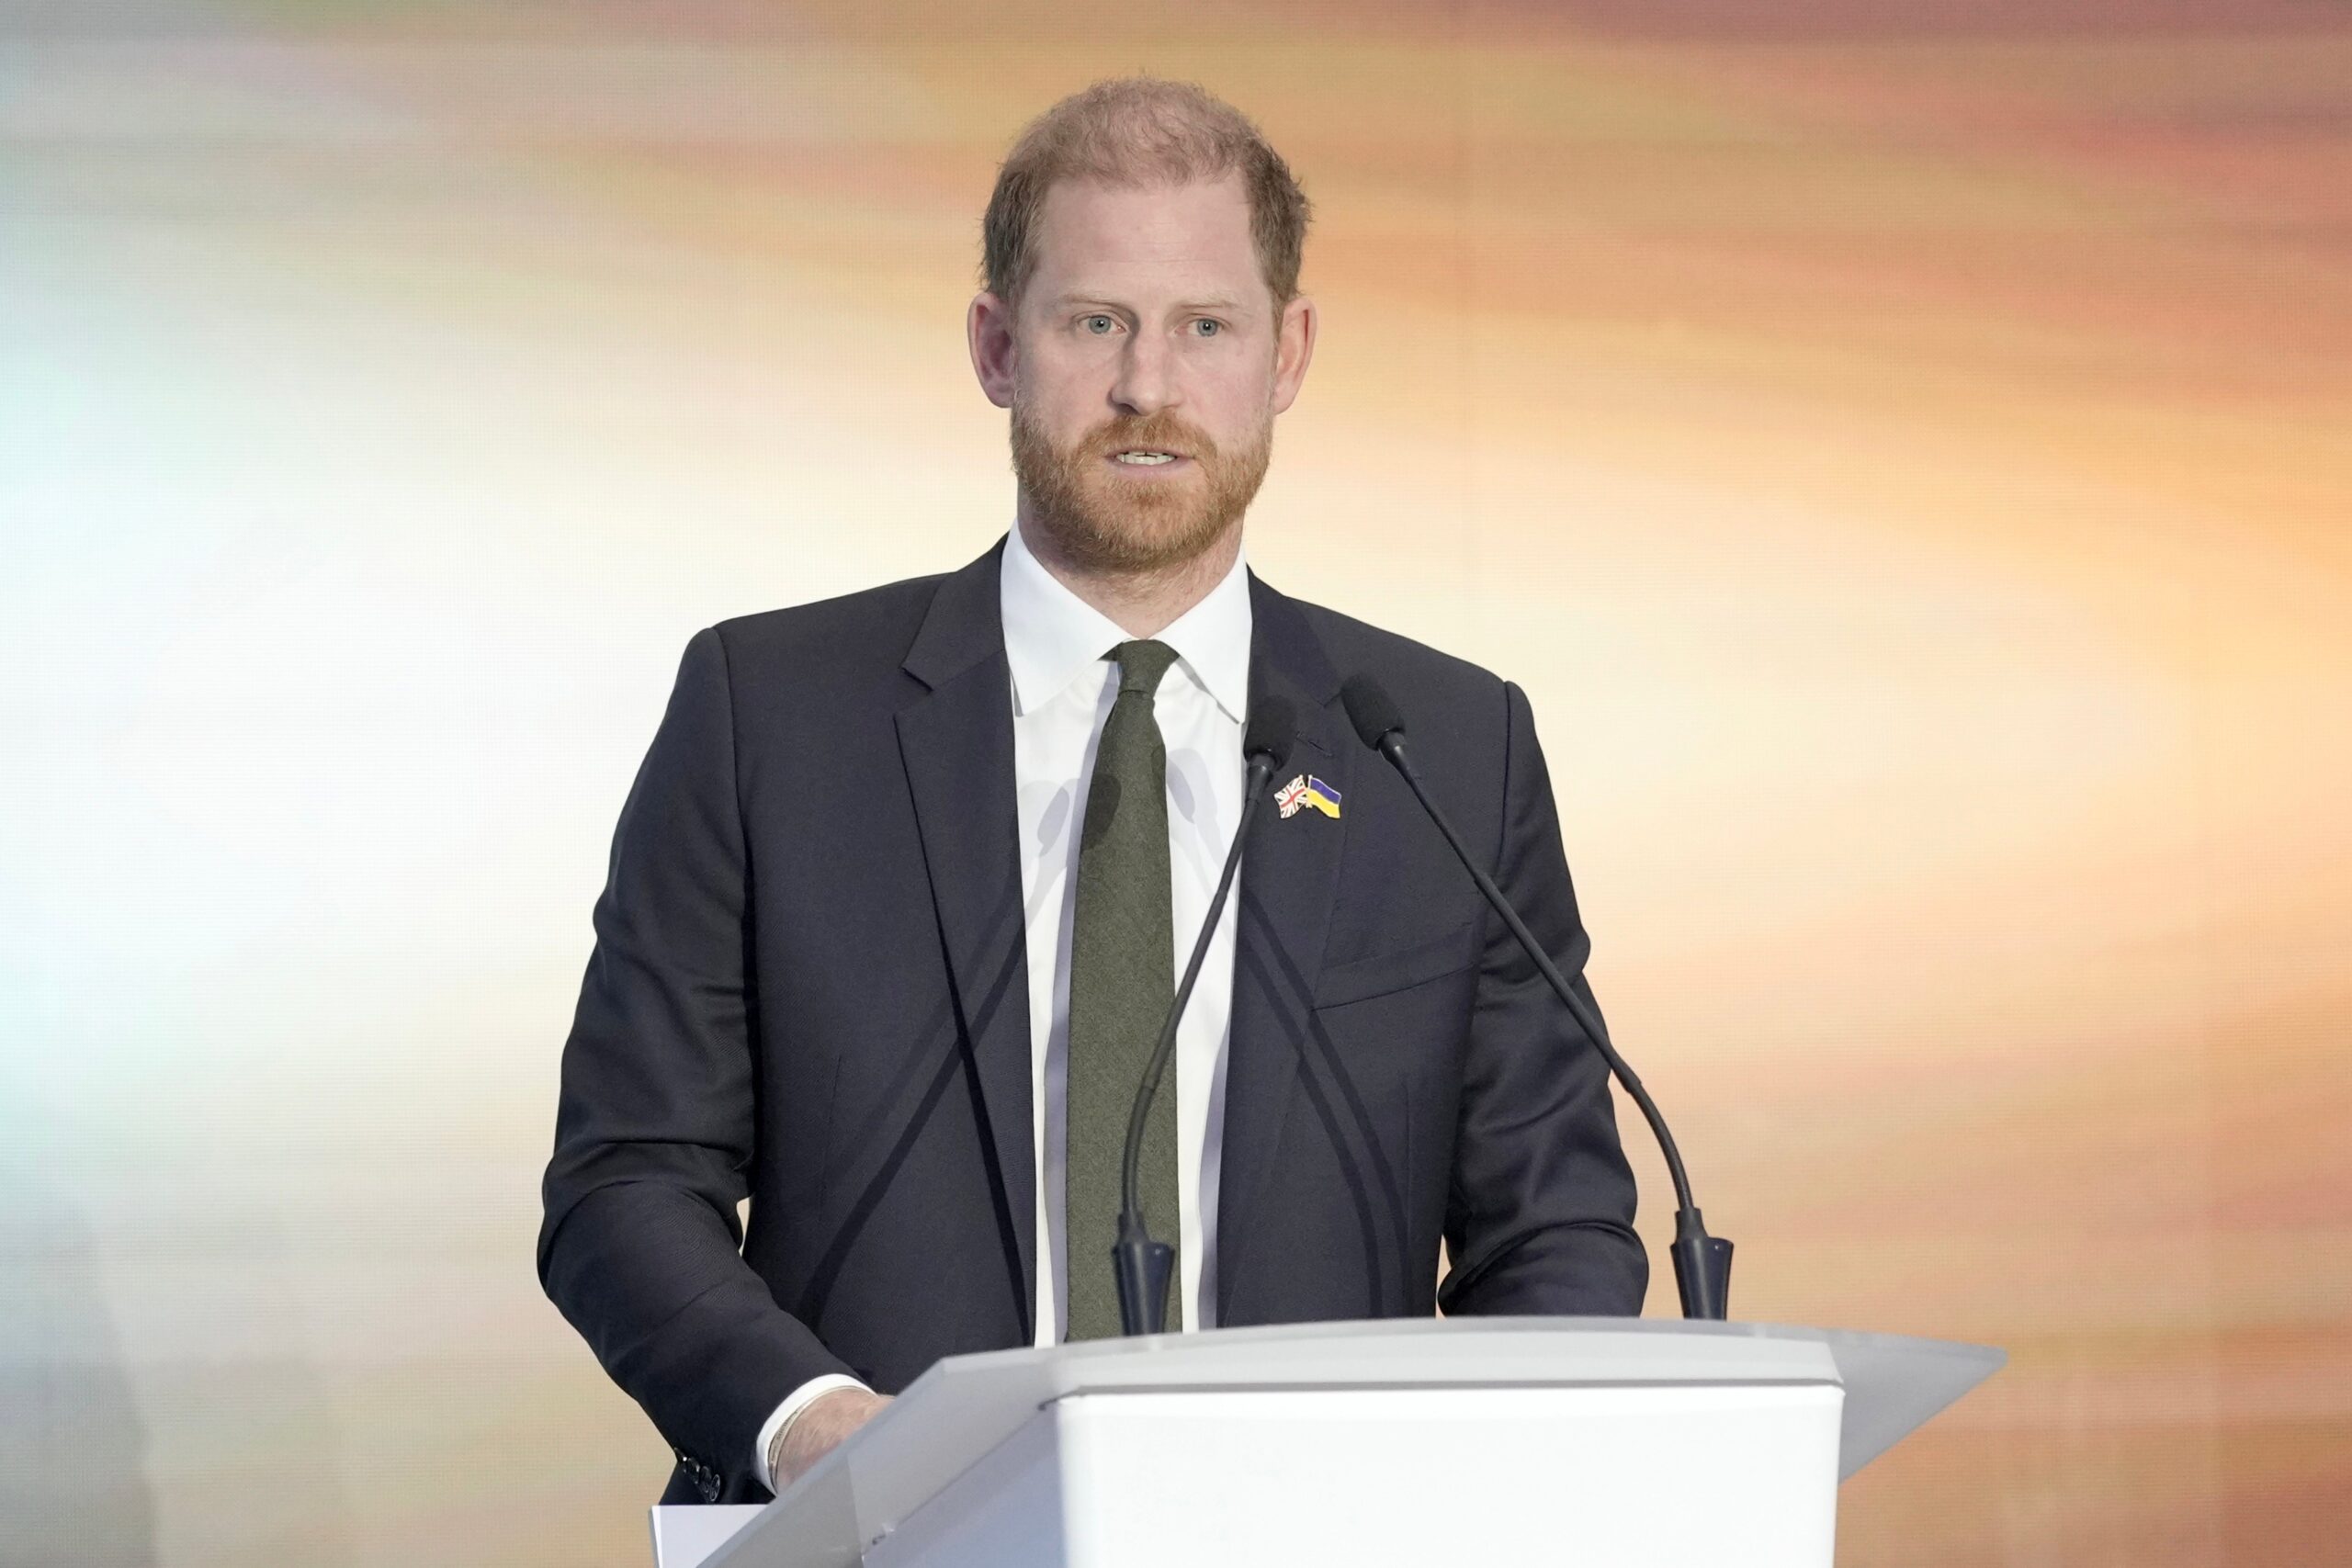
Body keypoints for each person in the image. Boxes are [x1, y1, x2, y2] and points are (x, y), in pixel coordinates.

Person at [539, 75, 1645, 1509]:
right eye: (1095, 323)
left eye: (1204, 326)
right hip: (887, 1534)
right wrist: (814, 1427)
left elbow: (1552, 1228)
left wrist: (1455, 1489)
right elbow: (626, 1185)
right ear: (998, 346)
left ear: (1288, 353)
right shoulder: (773, 717)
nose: (1148, 388)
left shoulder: (1440, 747)